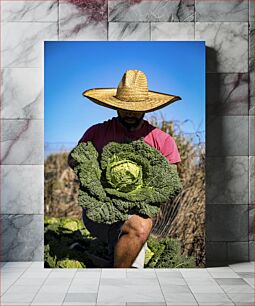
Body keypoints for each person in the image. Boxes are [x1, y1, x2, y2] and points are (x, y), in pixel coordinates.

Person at [68, 69, 182, 268]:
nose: (130, 112)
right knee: (140, 228)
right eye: (124, 106)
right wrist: (91, 173)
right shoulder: (97, 133)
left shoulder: (163, 141)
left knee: (137, 228)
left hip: (138, 210)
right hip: (99, 209)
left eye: (136, 107)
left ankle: (108, 263)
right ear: (115, 106)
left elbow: (169, 181)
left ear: (146, 108)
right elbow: (75, 159)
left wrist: (137, 199)